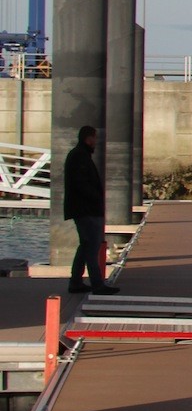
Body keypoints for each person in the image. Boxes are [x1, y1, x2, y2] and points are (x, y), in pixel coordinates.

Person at [63, 124, 119, 294]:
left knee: (85, 245)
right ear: (89, 138)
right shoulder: (80, 156)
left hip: (83, 208)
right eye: (95, 138)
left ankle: (76, 282)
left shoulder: (79, 155)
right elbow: (81, 184)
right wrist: (96, 199)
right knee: (92, 247)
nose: (96, 141)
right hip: (86, 209)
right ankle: (97, 284)